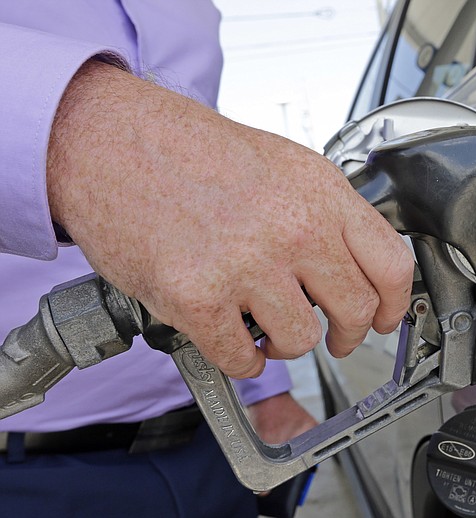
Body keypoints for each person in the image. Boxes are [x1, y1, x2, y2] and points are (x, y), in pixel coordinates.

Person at [0, 2, 413, 517]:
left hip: (210, 445)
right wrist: (77, 130)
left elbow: (217, 235)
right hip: (28, 476)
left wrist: (266, 391)